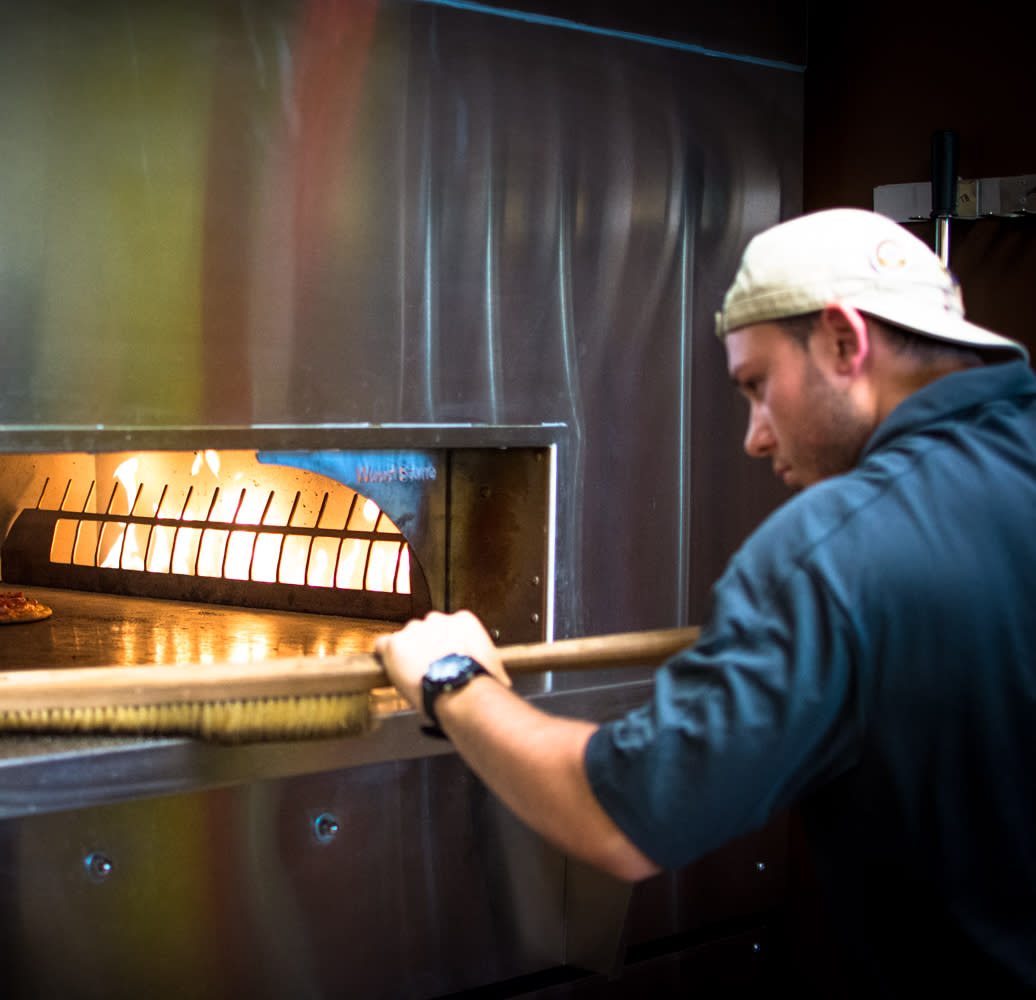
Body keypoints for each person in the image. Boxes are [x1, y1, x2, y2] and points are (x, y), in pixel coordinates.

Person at [375, 207, 1036, 994]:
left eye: (758, 386)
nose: (755, 436)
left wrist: (451, 677)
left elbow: (617, 818)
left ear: (842, 340)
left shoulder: (833, 551)